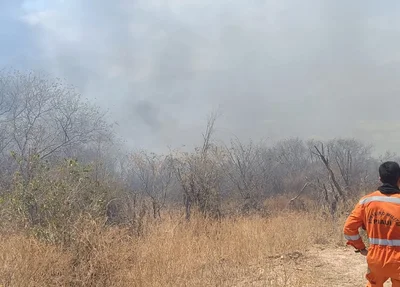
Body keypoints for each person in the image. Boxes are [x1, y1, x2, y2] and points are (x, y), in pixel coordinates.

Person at [344, 161, 400, 287]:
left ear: (380, 179)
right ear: (399, 178)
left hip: (375, 259)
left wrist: (360, 247)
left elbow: (348, 228)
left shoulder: (366, 201)